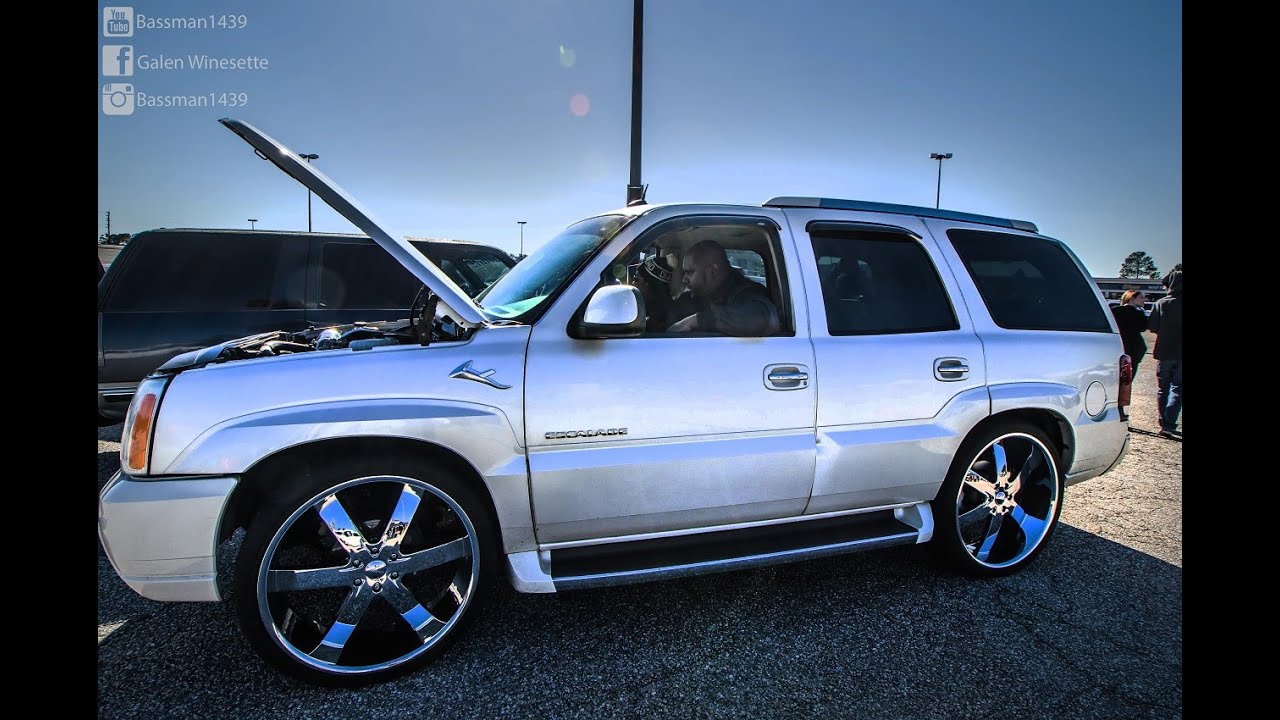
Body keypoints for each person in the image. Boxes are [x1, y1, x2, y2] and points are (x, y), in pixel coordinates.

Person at [665, 239, 780, 336]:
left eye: (690, 272)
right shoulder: (694, 296)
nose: (684, 279)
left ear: (713, 271)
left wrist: (696, 320)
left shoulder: (748, 292)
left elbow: (761, 319)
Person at [1147, 269, 1182, 439]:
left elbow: (1152, 326)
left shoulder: (1161, 303)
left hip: (1164, 351)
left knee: (1163, 388)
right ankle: (1169, 424)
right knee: (1178, 389)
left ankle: (1163, 422)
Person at [1110, 290, 1148, 376]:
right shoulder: (1138, 314)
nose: (1144, 300)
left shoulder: (1114, 310)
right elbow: (1143, 328)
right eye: (1141, 297)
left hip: (1118, 345)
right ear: (1132, 298)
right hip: (1133, 349)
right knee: (1129, 375)